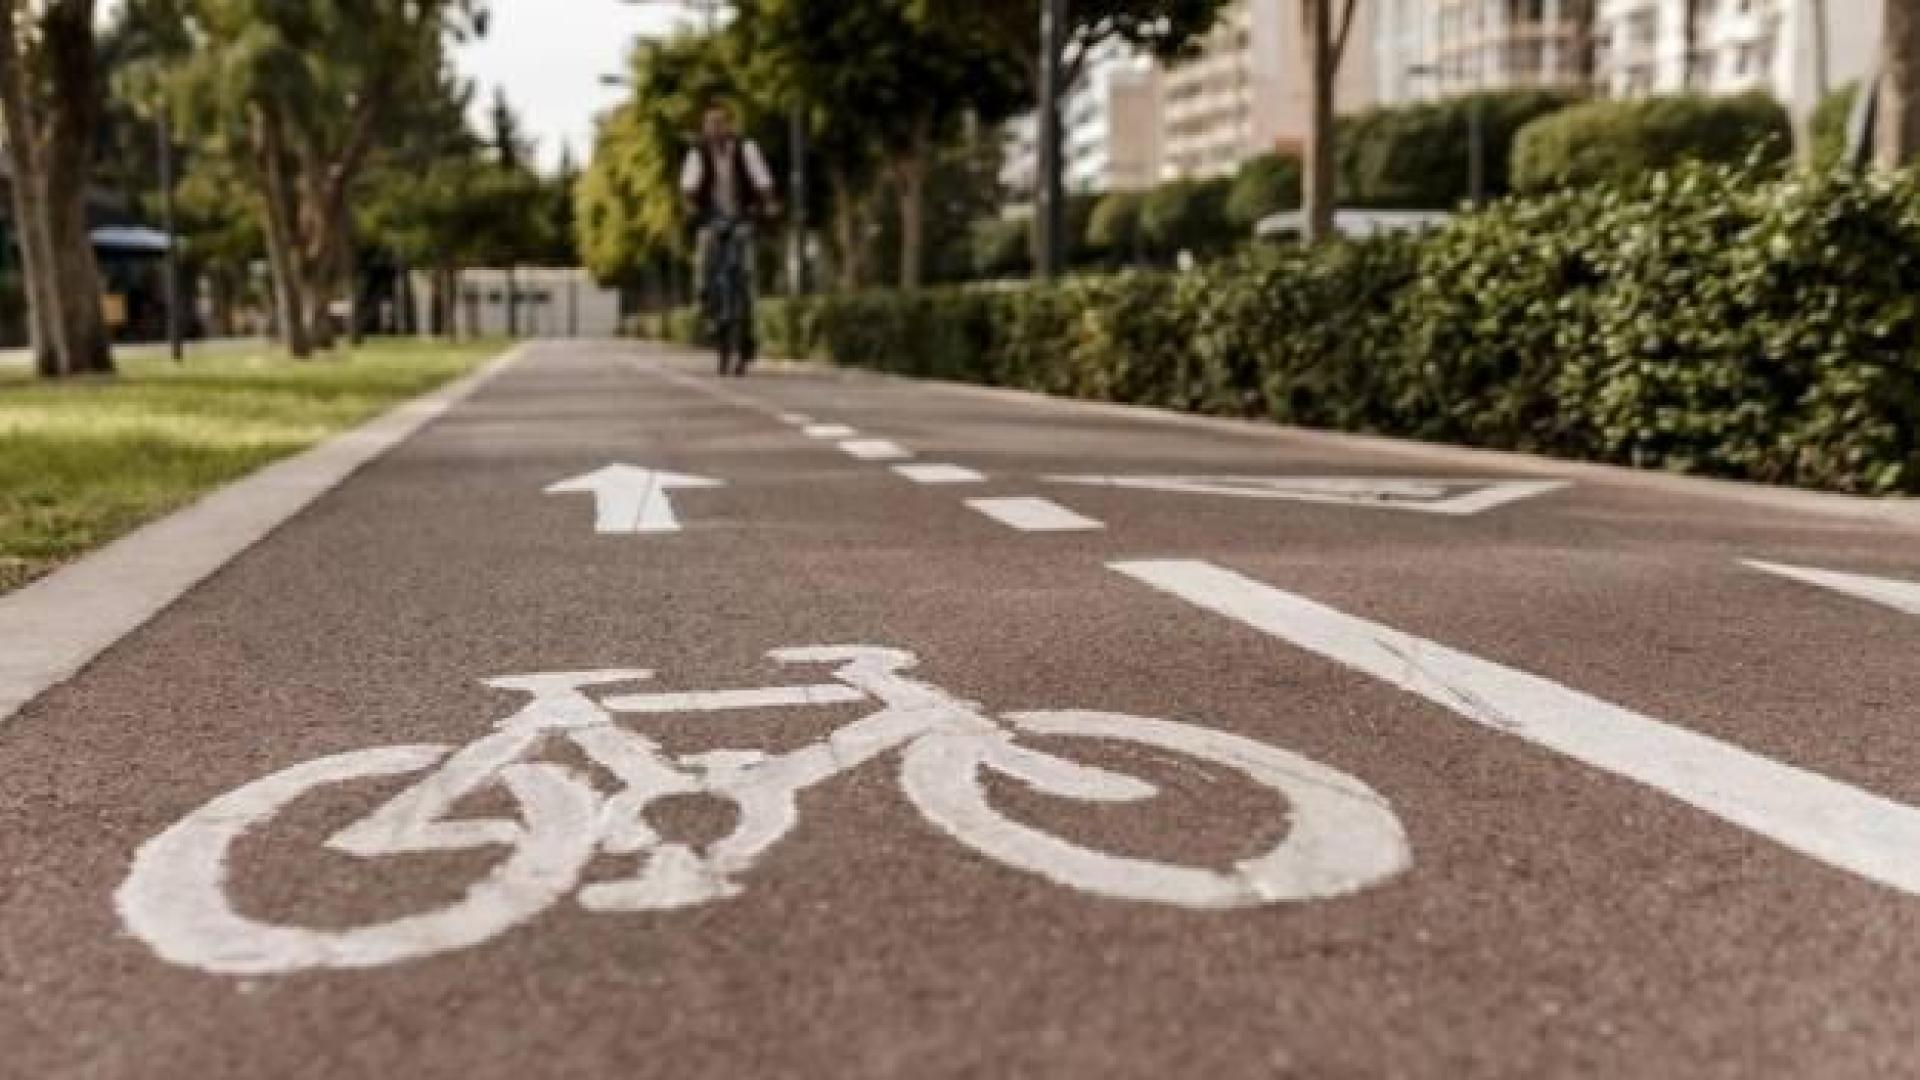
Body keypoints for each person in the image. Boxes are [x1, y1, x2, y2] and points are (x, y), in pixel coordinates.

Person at [680, 101, 778, 371]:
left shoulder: (746, 148)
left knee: (746, 269)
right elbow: (688, 186)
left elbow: (762, 178)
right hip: (712, 218)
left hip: (742, 216)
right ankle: (706, 307)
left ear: (729, 126)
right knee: (704, 263)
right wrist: (692, 208)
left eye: (720, 123)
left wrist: (768, 202)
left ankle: (748, 327)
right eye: (710, 124)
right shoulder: (697, 153)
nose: (715, 129)